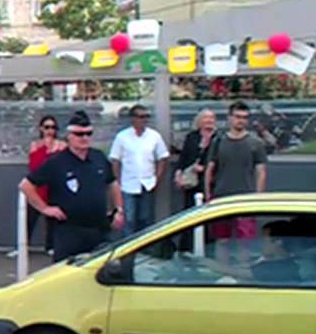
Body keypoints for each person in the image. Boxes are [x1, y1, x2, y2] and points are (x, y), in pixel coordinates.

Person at [18, 111, 124, 261]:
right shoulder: (57, 162)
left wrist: (119, 210)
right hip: (69, 231)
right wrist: (45, 208)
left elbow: (112, 183)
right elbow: (26, 185)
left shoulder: (98, 157)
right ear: (69, 136)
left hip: (99, 229)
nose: (85, 138)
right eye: (79, 134)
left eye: (88, 134)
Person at [108, 104, 169, 235]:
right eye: (141, 117)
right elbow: (115, 160)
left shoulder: (154, 136)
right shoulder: (122, 137)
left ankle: (146, 252)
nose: (144, 120)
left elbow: (163, 158)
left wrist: (157, 179)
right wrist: (118, 182)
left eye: (147, 116)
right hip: (128, 185)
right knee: (129, 220)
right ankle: (129, 251)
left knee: (146, 219)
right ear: (133, 119)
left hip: (147, 184)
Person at [205, 100, 267, 201]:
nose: (241, 121)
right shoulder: (218, 141)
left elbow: (261, 172)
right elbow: (209, 170)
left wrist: (258, 197)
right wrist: (208, 195)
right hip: (221, 197)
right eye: (237, 117)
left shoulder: (256, 142)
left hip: (246, 198)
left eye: (244, 117)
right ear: (229, 117)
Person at [22, 115, 65, 253]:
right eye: (47, 127)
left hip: (54, 188)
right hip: (38, 188)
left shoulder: (62, 145)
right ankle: (23, 246)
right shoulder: (35, 145)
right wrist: (44, 149)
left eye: (53, 127)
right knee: (29, 219)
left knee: (52, 220)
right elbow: (34, 167)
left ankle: (50, 246)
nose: (50, 131)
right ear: (41, 129)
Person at [174, 108, 217, 212]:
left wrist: (205, 168)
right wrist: (178, 173)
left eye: (211, 118)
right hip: (191, 182)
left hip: (211, 183)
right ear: (199, 121)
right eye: (206, 118)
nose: (209, 120)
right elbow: (184, 157)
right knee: (190, 211)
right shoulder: (192, 137)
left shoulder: (219, 138)